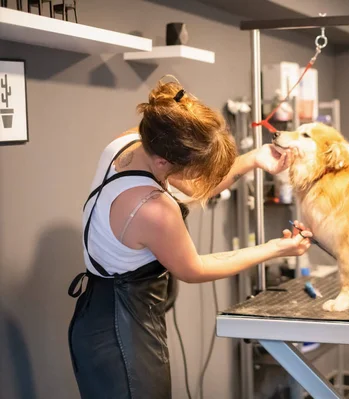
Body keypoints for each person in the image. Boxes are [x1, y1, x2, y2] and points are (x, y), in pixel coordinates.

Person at [67, 77, 312, 399]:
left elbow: (194, 187)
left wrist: (253, 159)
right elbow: (193, 269)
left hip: (98, 316)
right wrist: (274, 248)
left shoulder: (130, 142)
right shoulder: (153, 209)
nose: (196, 179)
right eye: (193, 169)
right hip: (123, 332)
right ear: (164, 162)